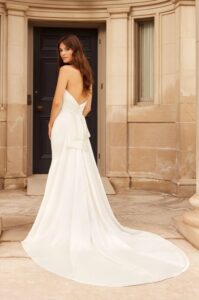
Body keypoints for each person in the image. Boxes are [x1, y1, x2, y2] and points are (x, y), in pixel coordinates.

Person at [21, 34, 189, 287]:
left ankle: (62, 222)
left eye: (66, 50)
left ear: (74, 51)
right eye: (60, 50)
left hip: (66, 125)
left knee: (63, 170)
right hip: (77, 124)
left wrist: (50, 122)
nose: (62, 54)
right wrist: (72, 114)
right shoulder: (87, 75)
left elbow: (56, 100)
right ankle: (79, 219)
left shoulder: (66, 71)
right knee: (78, 170)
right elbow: (87, 110)